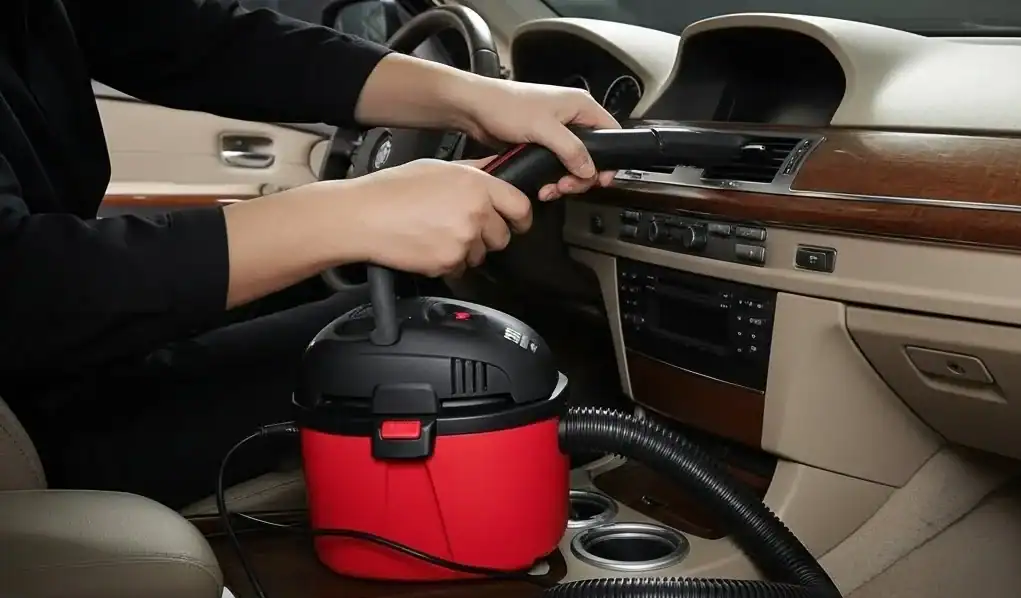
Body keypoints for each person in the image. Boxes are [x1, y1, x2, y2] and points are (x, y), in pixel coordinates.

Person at [0, 0, 619, 509]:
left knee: (404, 309)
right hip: (36, 424)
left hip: (57, 367)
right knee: (544, 363)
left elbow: (202, 43)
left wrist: (470, 97)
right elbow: (20, 287)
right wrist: (354, 214)